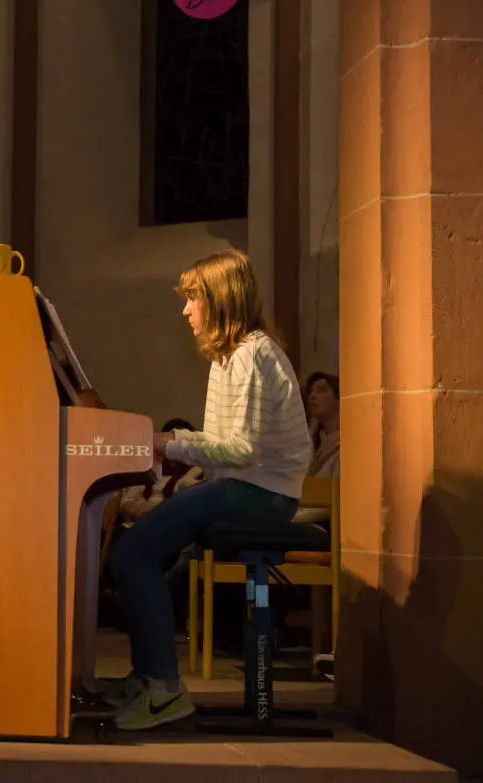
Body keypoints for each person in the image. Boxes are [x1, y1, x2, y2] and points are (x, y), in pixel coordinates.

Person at [103, 250, 312, 730]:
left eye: (192, 298)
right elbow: (223, 444)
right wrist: (170, 441)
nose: (185, 310)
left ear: (220, 299)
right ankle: (148, 676)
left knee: (134, 552)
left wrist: (170, 443)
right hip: (242, 484)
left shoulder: (252, 354)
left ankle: (163, 691)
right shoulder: (228, 357)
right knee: (145, 553)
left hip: (263, 493)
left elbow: (240, 449)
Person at [304, 371, 341, 477]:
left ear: (339, 398)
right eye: (311, 391)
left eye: (322, 390)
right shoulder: (308, 440)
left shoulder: (349, 442)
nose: (313, 395)